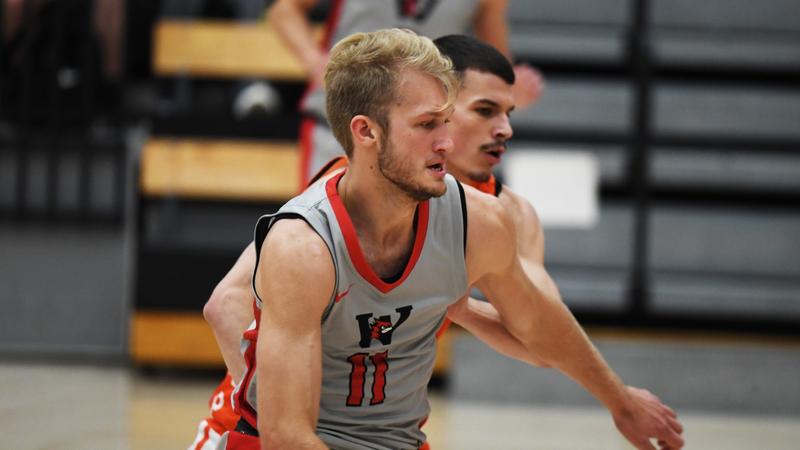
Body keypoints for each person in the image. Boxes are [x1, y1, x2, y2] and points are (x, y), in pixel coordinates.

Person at [210, 29, 683, 450]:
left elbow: (540, 332)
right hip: (267, 421)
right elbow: (228, 310)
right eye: (482, 111)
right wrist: (270, 396)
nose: (503, 129)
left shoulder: (493, 219)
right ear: (367, 133)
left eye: (509, 112)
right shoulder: (312, 230)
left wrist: (620, 401)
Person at [266, 0, 544, 185]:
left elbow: (492, 53)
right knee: (324, 243)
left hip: (428, 133)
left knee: (421, 254)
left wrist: (506, 92)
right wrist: (314, 62)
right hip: (341, 126)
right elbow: (284, 10)